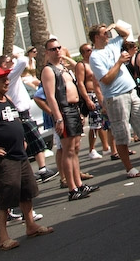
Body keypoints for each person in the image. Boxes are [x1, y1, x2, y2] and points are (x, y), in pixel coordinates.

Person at [0, 68, 53, 251]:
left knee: (26, 191)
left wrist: (22, 139)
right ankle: (3, 237)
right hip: (4, 158)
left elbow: (14, 120)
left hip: (20, 154)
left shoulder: (7, 98)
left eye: (7, 79)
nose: (7, 82)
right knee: (5, 196)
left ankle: (30, 225)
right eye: (3, 80)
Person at [87, 22, 140, 178]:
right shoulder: (95, 57)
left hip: (131, 91)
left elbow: (125, 34)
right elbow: (106, 79)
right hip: (115, 97)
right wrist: (119, 62)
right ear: (96, 37)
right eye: (105, 33)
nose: (108, 35)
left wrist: (114, 26)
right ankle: (129, 168)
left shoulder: (112, 45)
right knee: (122, 133)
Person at [40, 39, 95, 202]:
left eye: (59, 48)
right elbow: (50, 96)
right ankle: (72, 188)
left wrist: (79, 111)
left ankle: (79, 184)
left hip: (74, 109)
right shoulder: (48, 70)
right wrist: (58, 117)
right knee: (68, 150)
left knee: (75, 148)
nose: (57, 51)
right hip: (64, 111)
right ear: (47, 52)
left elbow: (76, 69)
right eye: (53, 49)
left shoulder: (63, 68)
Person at [0, 51, 56, 183]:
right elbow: (23, 62)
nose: (11, 63)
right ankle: (41, 170)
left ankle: (35, 171)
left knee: (28, 142)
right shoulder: (9, 76)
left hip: (23, 113)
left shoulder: (11, 76)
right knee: (33, 141)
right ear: (2, 66)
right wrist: (15, 56)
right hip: (20, 114)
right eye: (8, 62)